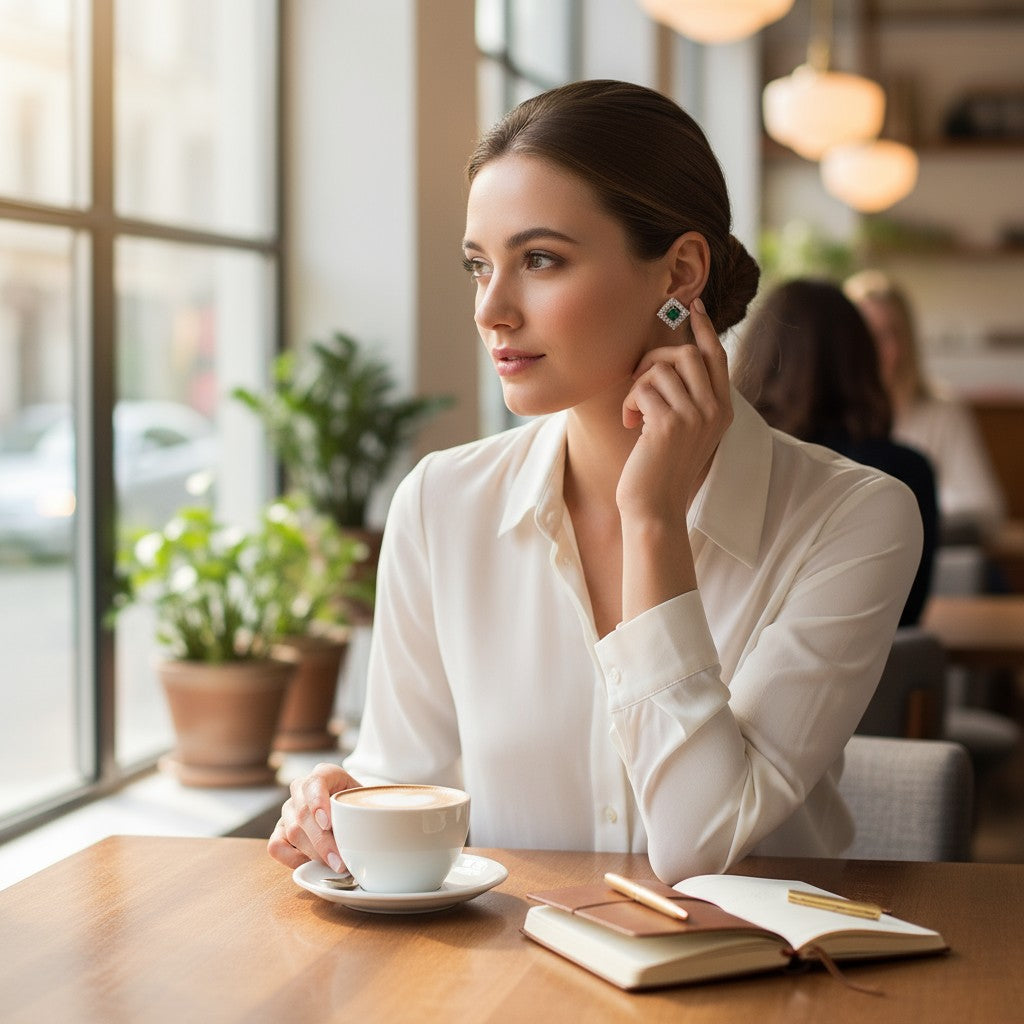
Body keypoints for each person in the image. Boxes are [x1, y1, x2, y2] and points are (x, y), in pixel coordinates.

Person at [269, 81, 921, 884]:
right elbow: (404, 774)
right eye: (480, 266)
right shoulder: (441, 504)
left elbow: (696, 847)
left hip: (762, 990)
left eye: (540, 260)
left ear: (680, 272)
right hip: (504, 983)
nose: (492, 310)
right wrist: (342, 800)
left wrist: (650, 522)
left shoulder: (853, 518)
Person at [731, 278, 937, 627]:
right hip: (877, 674)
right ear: (862, 360)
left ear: (758, 355)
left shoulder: (728, 460)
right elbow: (908, 611)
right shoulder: (904, 471)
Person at [844, 269, 1006, 543]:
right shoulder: (829, 416)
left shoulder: (942, 412)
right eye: (865, 335)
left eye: (888, 334)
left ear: (906, 342)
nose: (874, 348)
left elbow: (984, 510)